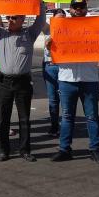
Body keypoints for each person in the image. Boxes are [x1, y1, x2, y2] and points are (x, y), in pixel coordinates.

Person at [0, 0, 46, 162]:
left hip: (23, 82)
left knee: (24, 119)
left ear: (22, 19)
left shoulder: (29, 34)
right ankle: (4, 150)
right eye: (9, 17)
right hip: (4, 82)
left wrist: (41, 1)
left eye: (14, 18)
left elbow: (40, 21)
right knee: (3, 119)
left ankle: (25, 150)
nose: (10, 20)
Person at [49, 0, 99, 164]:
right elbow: (53, 56)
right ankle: (65, 149)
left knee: (92, 116)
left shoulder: (96, 28)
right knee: (67, 116)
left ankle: (95, 149)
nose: (78, 9)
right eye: (75, 7)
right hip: (67, 78)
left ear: (86, 8)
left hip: (89, 78)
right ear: (70, 9)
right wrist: (49, 46)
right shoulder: (60, 29)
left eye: (81, 7)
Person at [42, 9, 64, 137]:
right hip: (50, 66)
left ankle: (66, 125)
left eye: (63, 17)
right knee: (53, 99)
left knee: (64, 98)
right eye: (58, 18)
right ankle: (54, 125)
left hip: (64, 67)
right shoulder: (47, 29)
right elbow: (40, 20)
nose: (60, 20)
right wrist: (40, 3)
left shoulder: (69, 29)